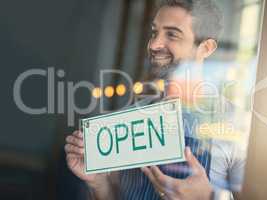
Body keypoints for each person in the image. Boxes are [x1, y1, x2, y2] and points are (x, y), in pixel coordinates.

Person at [64, 0, 245, 199]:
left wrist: (210, 197)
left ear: (206, 47)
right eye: (154, 33)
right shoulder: (129, 118)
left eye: (172, 34)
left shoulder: (236, 126)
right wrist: (98, 183)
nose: (154, 44)